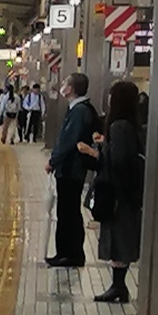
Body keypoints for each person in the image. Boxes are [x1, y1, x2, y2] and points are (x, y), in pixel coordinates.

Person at [81, 78, 145, 304]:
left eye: (111, 95)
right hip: (128, 193)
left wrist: (95, 151)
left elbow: (117, 160)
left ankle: (118, 287)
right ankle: (119, 286)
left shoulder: (118, 126)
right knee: (122, 238)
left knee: (118, 239)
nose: (108, 98)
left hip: (117, 194)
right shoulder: (132, 126)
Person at [48, 72, 98, 268]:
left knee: (68, 211)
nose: (62, 86)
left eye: (65, 83)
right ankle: (66, 253)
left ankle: (71, 254)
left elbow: (68, 141)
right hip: (71, 168)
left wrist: (53, 161)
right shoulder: (79, 109)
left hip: (71, 169)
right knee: (68, 210)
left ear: (71, 88)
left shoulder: (79, 111)